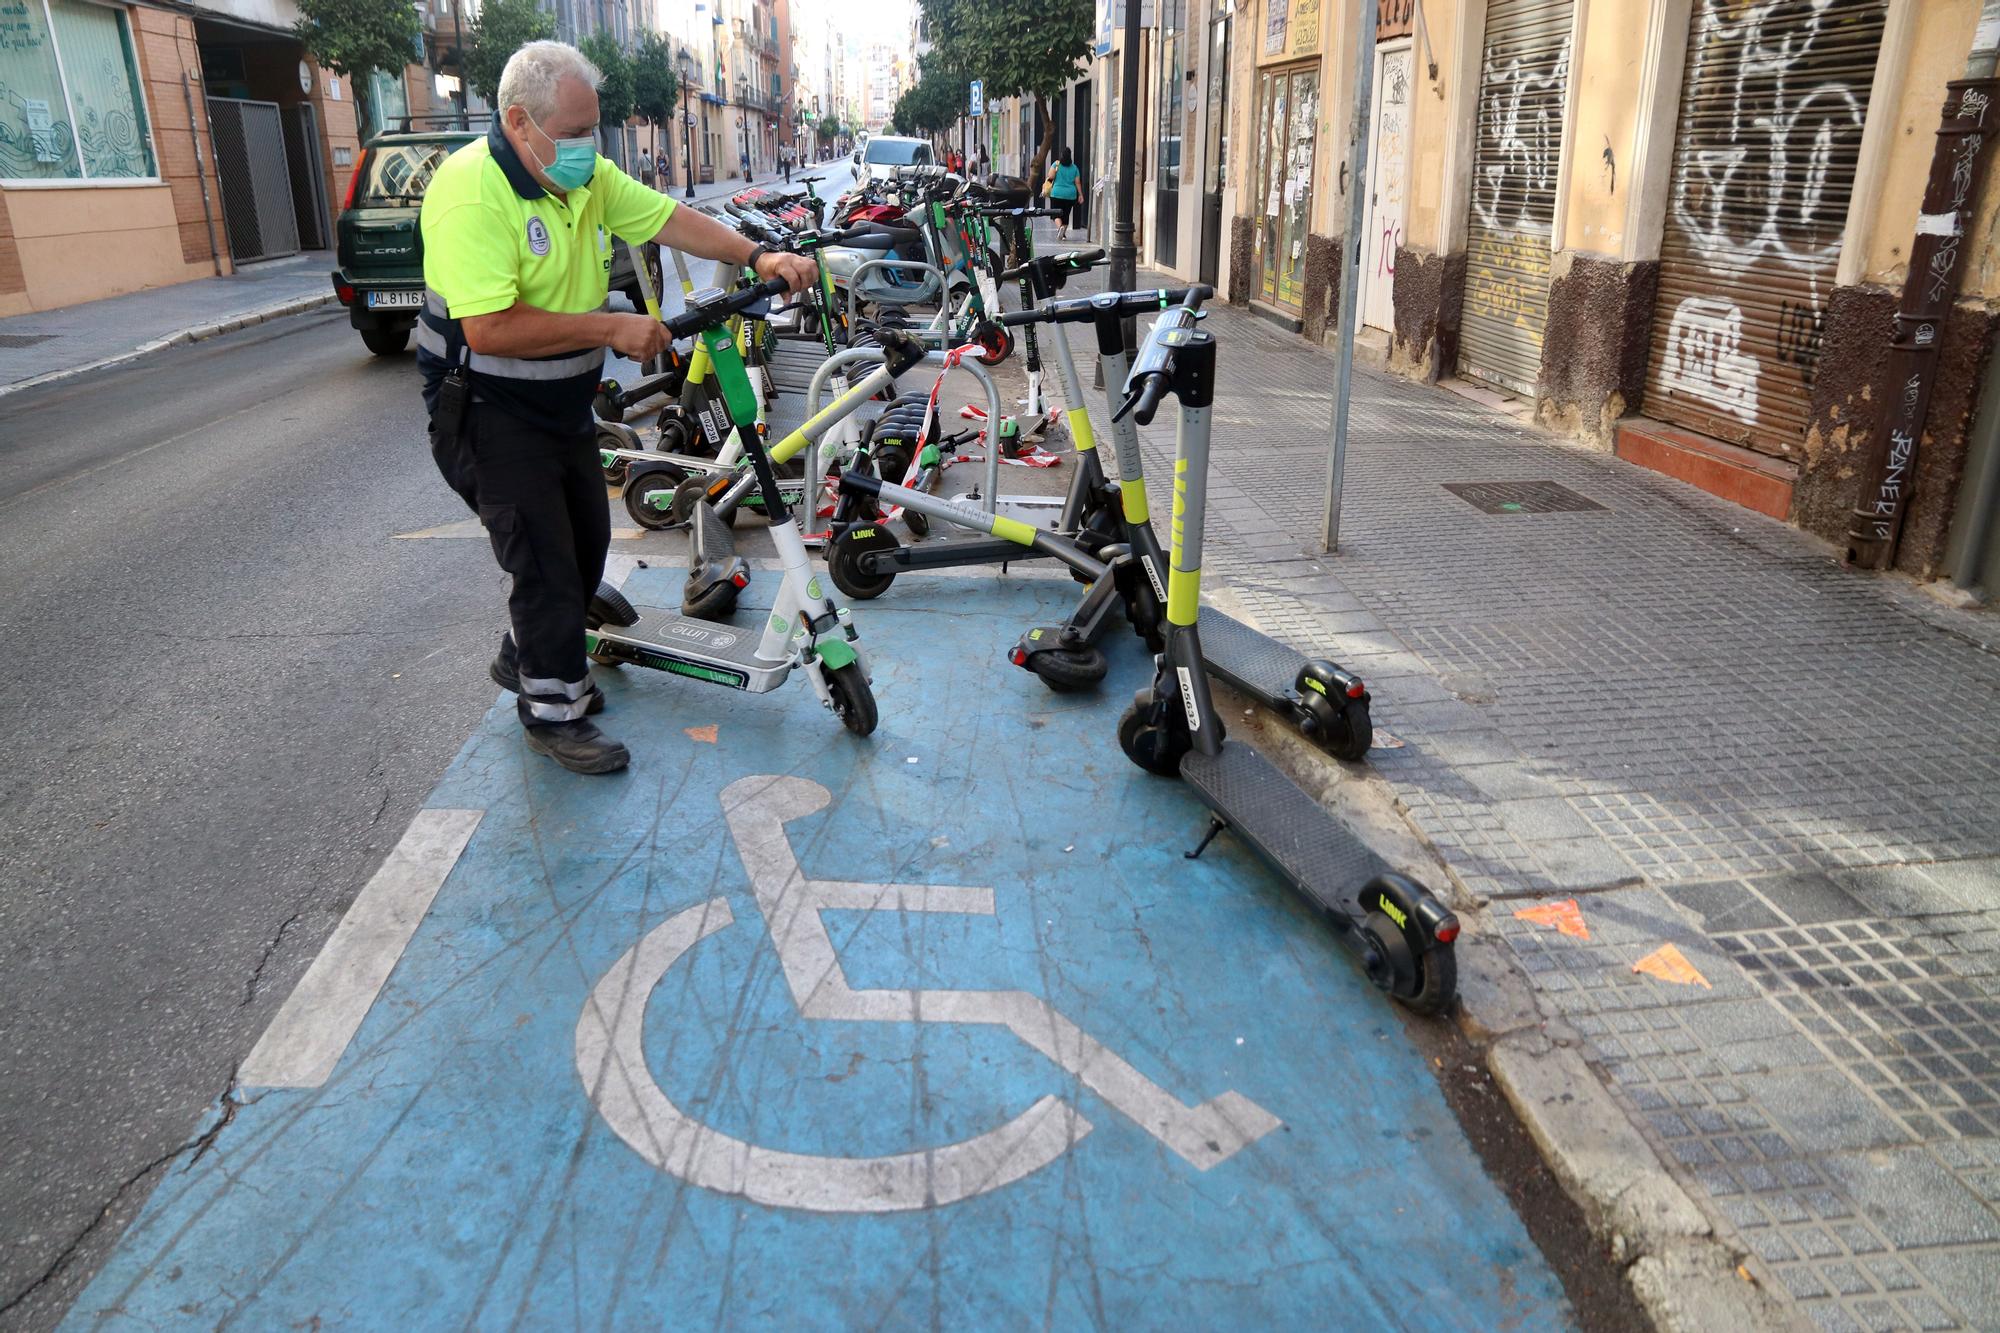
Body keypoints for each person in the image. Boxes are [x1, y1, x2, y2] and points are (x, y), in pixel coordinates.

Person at [418, 41, 816, 774]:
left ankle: (527, 654)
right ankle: (554, 709)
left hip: (557, 402)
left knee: (586, 539)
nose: (588, 148)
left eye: (592, 131)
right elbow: (490, 328)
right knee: (543, 562)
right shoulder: (472, 192)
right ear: (518, 121)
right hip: (487, 406)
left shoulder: (583, 179)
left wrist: (758, 255)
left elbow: (668, 218)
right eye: (573, 133)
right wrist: (612, 327)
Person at [1045, 146, 1081, 239]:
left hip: (1057, 193)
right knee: (1066, 215)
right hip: (1070, 195)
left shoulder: (1056, 164)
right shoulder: (1074, 168)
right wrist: (1080, 194)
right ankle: (1063, 234)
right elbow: (1077, 182)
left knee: (1056, 214)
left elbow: (1050, 177)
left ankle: (1060, 228)